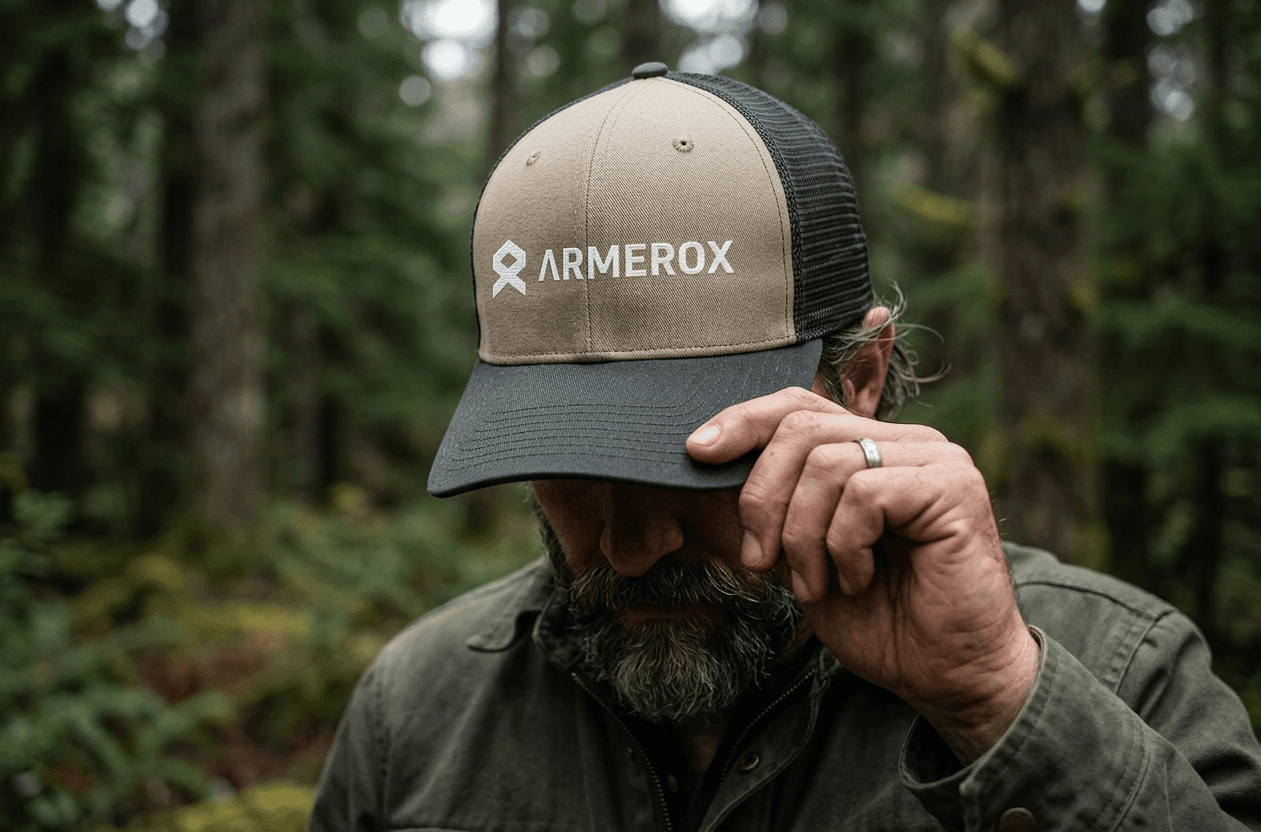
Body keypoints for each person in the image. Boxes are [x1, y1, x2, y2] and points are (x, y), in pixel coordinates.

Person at [309, 64, 1261, 831]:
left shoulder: (1119, 676)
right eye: (570, 466)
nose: (632, 547)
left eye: (694, 461)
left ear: (859, 379)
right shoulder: (418, 713)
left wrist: (993, 702)